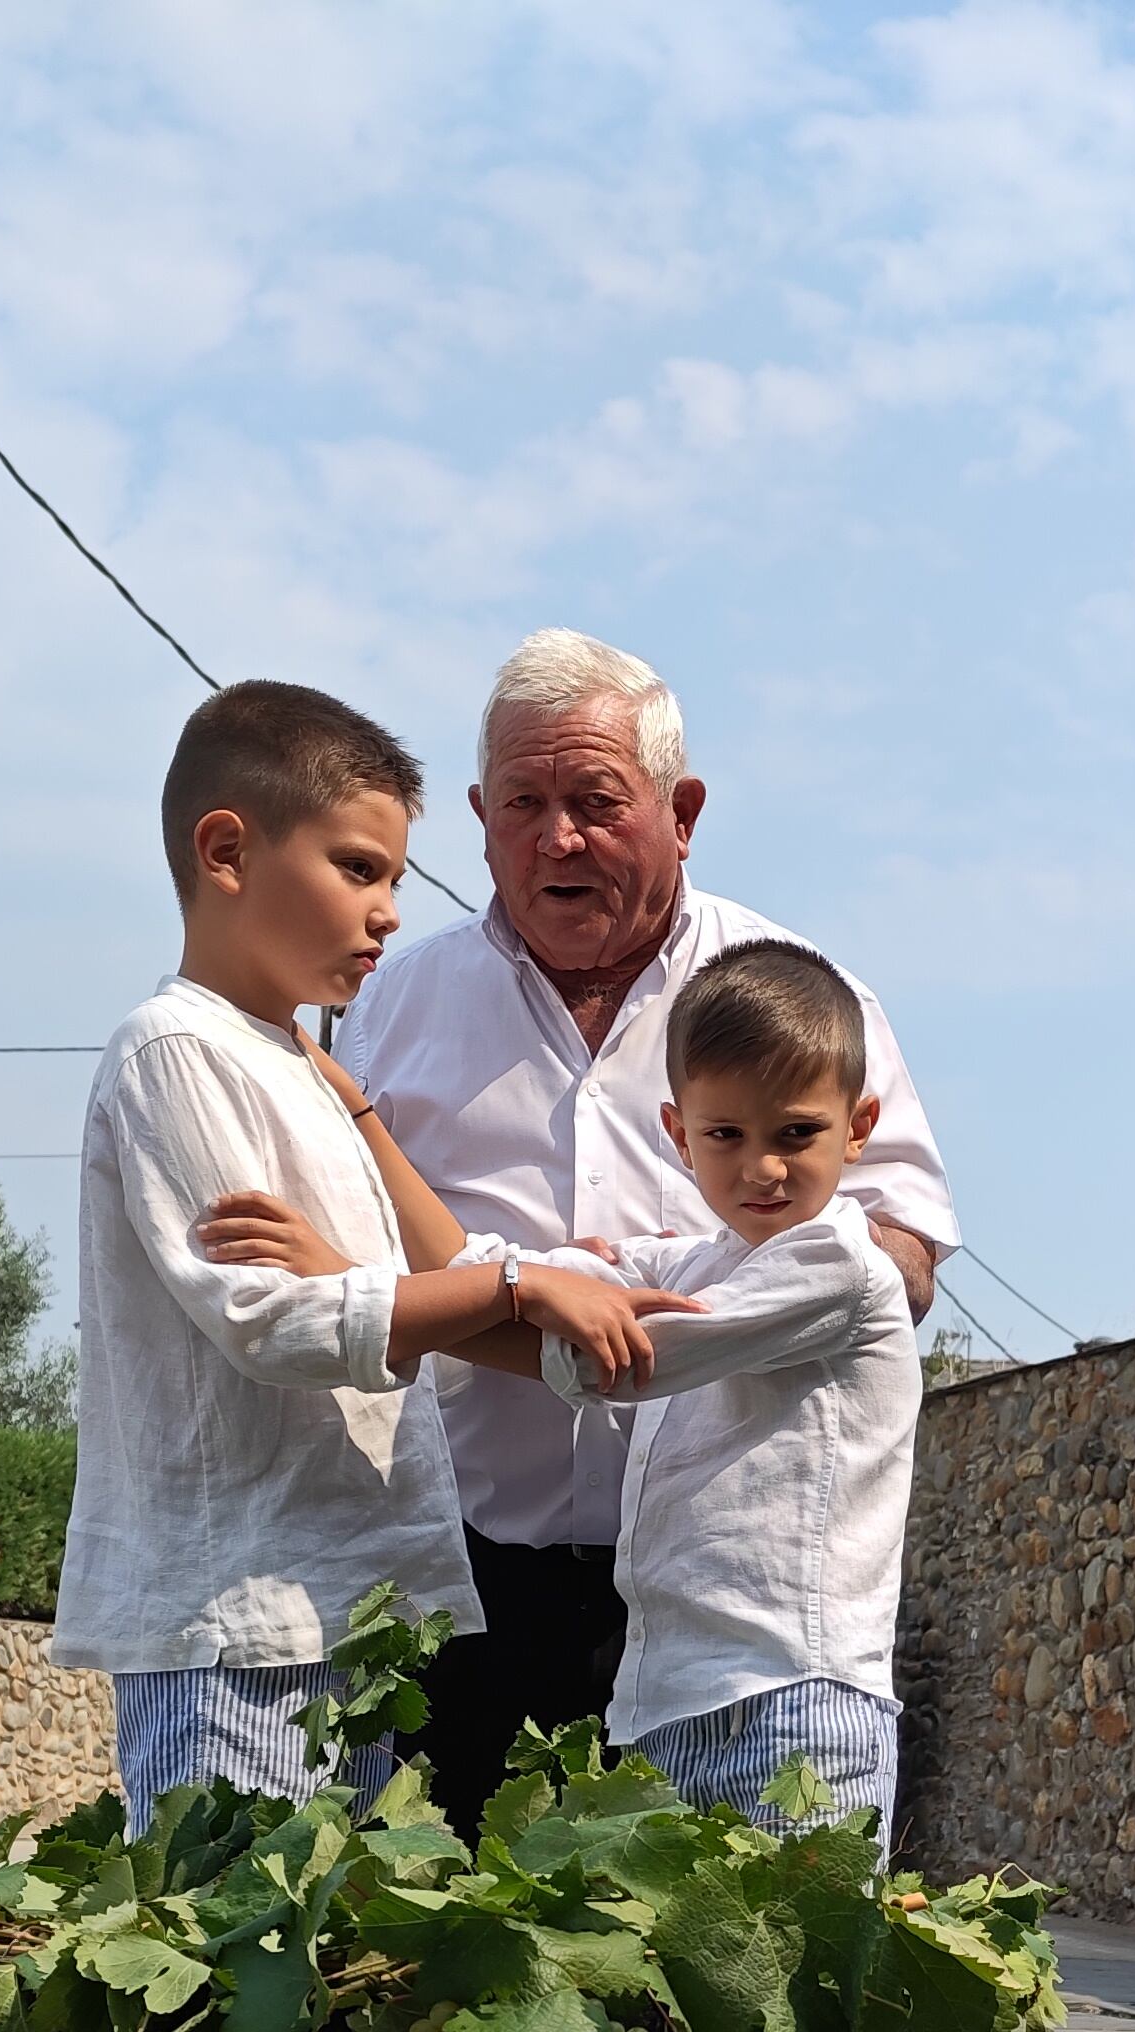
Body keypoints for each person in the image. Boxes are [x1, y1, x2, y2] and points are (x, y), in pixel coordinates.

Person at [336, 629, 961, 1824]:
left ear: (682, 812)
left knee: (711, 1972)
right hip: (468, 1588)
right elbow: (351, 1283)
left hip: (728, 1614)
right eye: (523, 802)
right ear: (477, 814)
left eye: (595, 802)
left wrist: (750, 1312)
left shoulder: (791, 991)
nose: (555, 837)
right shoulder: (389, 1012)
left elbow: (905, 1250)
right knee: (469, 1972)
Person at [52, 678, 682, 1809]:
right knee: (238, 1964)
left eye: (393, 878)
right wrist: (515, 1280)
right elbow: (275, 1322)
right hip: (236, 1634)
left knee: (322, 1973)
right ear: (227, 852)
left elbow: (424, 1292)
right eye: (357, 869)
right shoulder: (174, 1053)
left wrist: (578, 1311)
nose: (389, 910)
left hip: (343, 1625)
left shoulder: (300, 1066)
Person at [208, 941, 918, 1823]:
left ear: (859, 1128)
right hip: (667, 1702)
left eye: (796, 1134)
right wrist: (357, 1128)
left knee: (793, 1962)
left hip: (791, 1703)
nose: (761, 1167)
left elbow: (610, 1357)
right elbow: (487, 1270)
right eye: (725, 1135)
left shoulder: (836, 1265)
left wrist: (368, 1291)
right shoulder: (698, 1260)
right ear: (678, 1134)